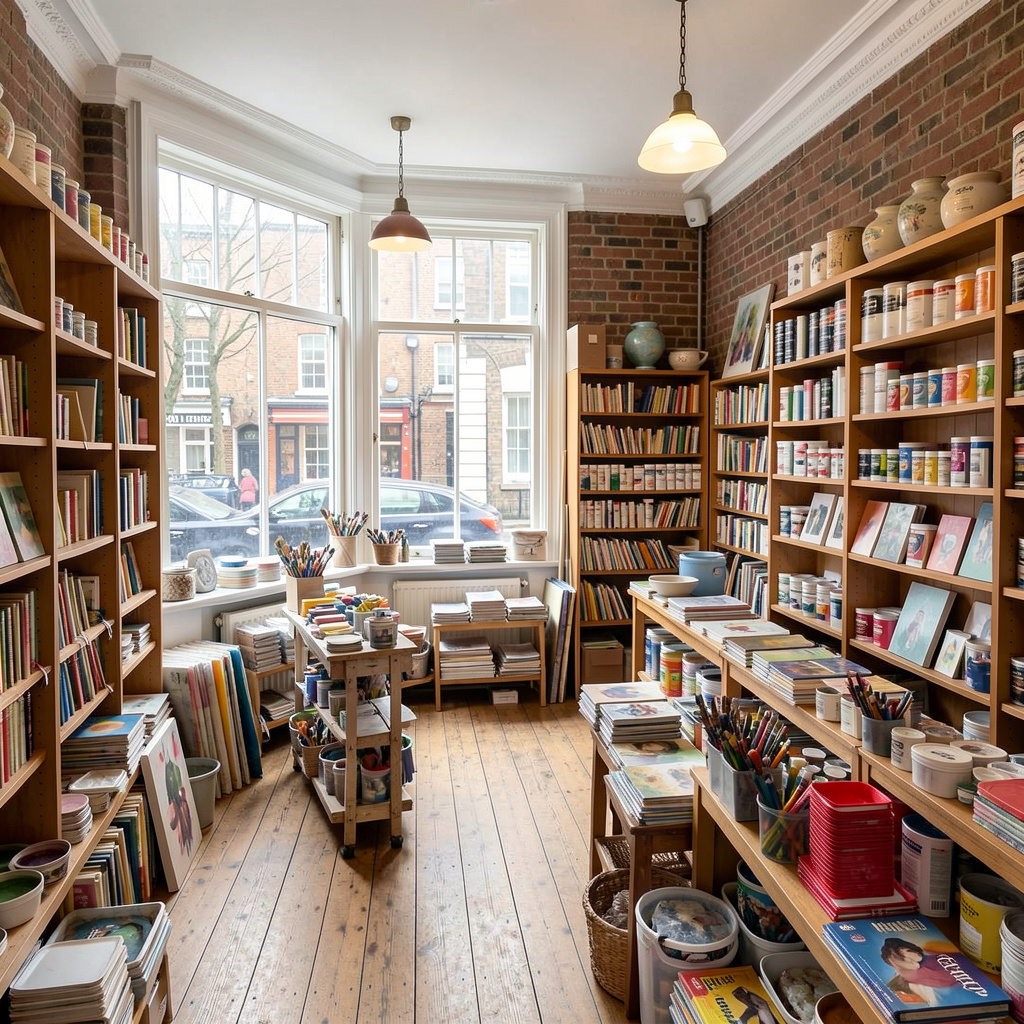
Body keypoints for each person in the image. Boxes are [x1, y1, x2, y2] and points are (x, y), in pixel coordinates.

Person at [880, 937, 958, 1005]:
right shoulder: (912, 983)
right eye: (902, 958)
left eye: (905, 950)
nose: (909, 959)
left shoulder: (933, 956)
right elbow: (935, 1003)